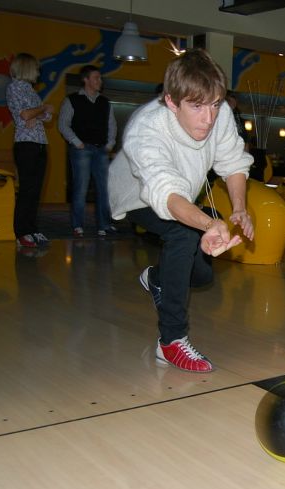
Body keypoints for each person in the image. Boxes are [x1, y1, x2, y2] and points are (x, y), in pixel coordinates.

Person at [108, 49, 253, 373]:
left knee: (201, 275)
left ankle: (156, 278)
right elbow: (166, 194)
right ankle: (171, 341)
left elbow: (232, 162)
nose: (209, 118)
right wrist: (207, 224)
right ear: (171, 102)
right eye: (197, 106)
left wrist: (239, 209)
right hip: (137, 194)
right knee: (183, 235)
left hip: (181, 192)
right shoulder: (146, 129)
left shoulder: (218, 113)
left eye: (215, 104)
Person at [58, 64, 117, 237]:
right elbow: (63, 124)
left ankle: (104, 225)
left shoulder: (105, 102)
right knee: (81, 188)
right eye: (96, 78)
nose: (100, 81)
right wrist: (77, 143)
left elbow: (112, 125)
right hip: (81, 149)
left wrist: (110, 144)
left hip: (101, 149)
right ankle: (78, 225)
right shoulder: (72, 100)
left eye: (100, 78)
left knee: (104, 188)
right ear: (86, 80)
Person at [6, 53, 53, 248]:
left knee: (36, 191)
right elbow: (25, 115)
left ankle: (32, 228)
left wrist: (39, 112)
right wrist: (41, 109)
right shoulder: (15, 87)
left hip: (39, 143)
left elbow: (48, 116)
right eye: (36, 68)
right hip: (26, 144)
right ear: (27, 68)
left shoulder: (31, 91)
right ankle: (21, 232)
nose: (38, 73)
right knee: (27, 190)